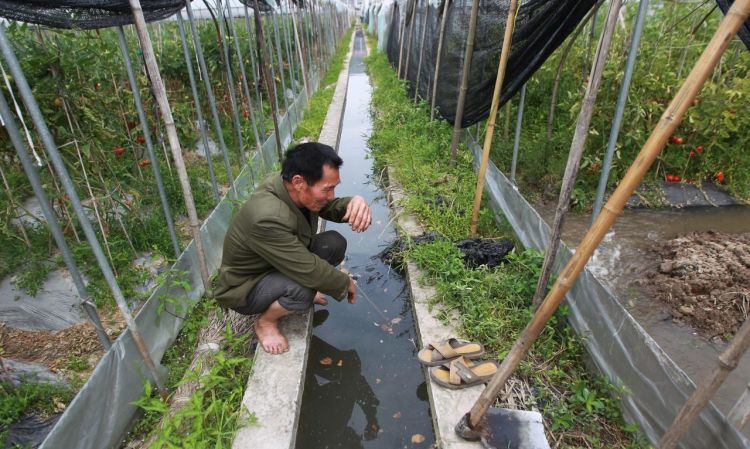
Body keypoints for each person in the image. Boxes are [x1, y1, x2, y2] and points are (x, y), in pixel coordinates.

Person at [214, 142, 372, 354]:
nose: (331, 195)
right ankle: (265, 322)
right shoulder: (267, 217)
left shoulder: (290, 188)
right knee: (305, 287)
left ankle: (291, 295)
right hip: (248, 285)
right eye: (328, 189)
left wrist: (354, 202)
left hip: (274, 263)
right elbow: (307, 269)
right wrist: (344, 282)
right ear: (298, 182)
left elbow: (329, 207)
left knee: (333, 243)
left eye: (334, 188)